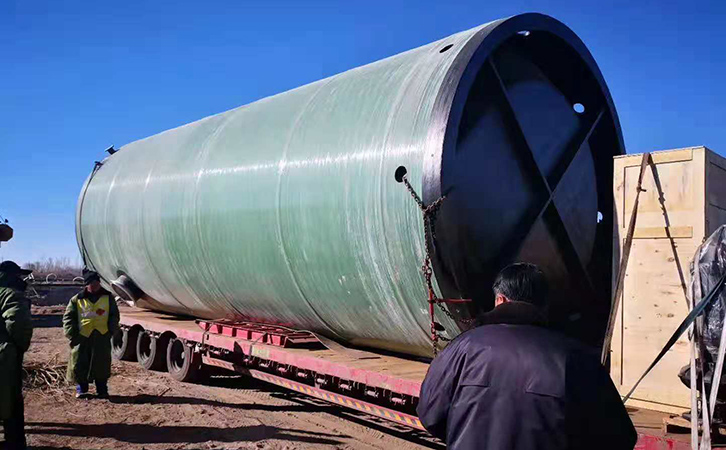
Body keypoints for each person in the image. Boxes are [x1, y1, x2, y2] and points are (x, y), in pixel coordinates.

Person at [417, 263, 636, 450]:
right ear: (544, 305)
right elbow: (619, 437)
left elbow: (430, 415)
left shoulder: (462, 348)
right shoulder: (575, 358)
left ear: (500, 300)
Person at [63, 268, 119, 399]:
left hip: (102, 335)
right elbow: (68, 318)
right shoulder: (77, 299)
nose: (94, 286)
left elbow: (114, 315)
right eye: (91, 283)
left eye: (96, 283)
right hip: (82, 337)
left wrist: (111, 330)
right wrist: (72, 335)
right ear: (86, 284)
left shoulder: (108, 298)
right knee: (80, 363)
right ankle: (82, 389)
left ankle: (102, 389)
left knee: (102, 363)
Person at [0, 261, 33, 450]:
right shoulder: (10, 295)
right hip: (5, 359)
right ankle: (14, 444)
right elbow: (18, 324)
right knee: (11, 402)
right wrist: (19, 347)